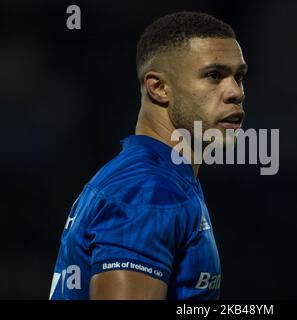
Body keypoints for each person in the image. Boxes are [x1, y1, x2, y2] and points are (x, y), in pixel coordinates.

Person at [49, 11, 247, 300]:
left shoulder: (157, 179)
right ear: (159, 87)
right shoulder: (148, 191)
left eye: (239, 76)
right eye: (214, 75)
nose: (235, 92)